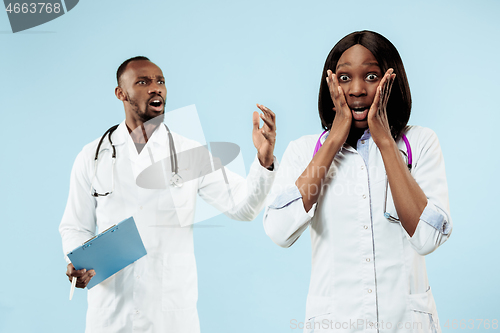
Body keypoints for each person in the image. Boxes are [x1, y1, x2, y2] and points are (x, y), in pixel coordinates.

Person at [59, 56, 277, 332]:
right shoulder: (92, 156)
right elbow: (74, 226)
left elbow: (243, 208)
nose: (156, 88)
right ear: (121, 93)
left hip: (171, 318)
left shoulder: (188, 153)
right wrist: (77, 263)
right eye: (143, 82)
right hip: (111, 316)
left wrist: (264, 161)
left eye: (160, 81)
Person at [263, 31, 452, 332]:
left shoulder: (420, 143)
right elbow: (279, 230)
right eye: (345, 78)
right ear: (331, 85)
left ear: (392, 81)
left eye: (372, 76)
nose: (358, 89)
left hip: (405, 323)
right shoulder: (304, 151)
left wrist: (387, 143)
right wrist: (334, 139)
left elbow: (428, 239)